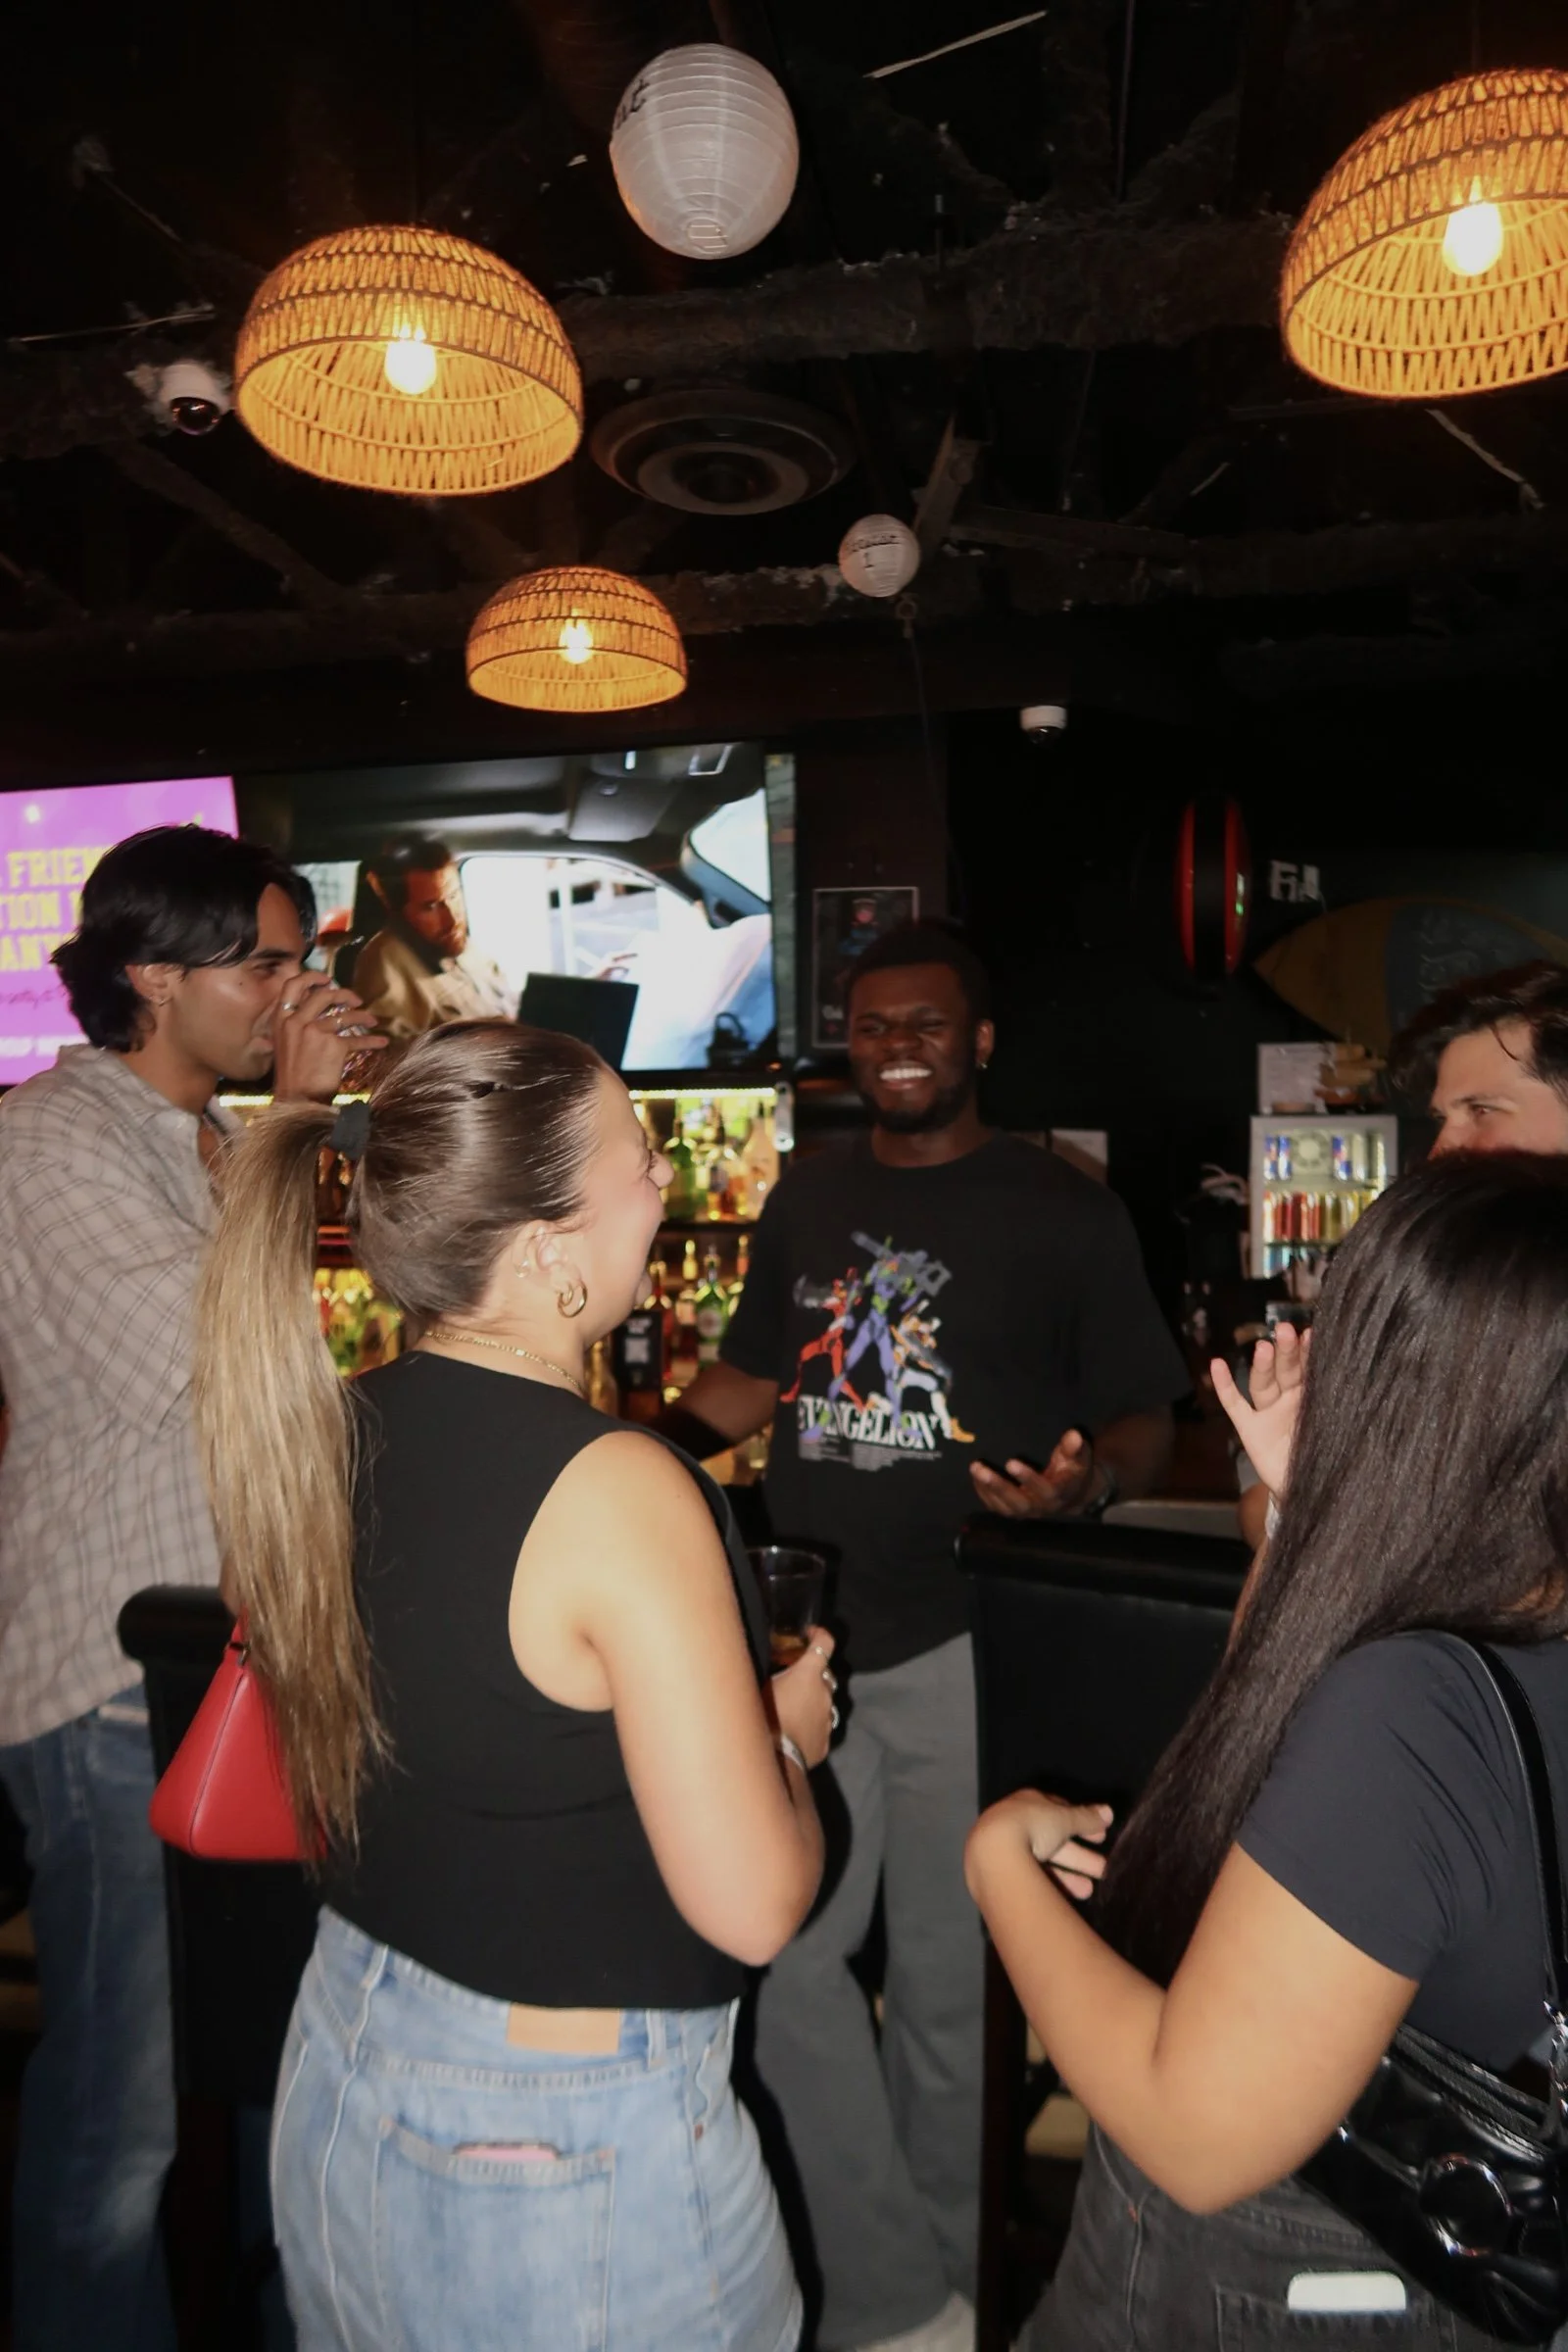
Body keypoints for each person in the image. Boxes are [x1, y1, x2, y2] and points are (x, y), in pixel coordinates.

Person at [193, 1018, 833, 2352]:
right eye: (635, 1160)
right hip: (556, 2140)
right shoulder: (620, 1491)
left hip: (344, 2057)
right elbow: (757, 1904)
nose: (662, 1183)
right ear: (547, 1252)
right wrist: (777, 1739)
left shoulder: (321, 1431)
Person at [659, 921, 1188, 2352]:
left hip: (967, 1631)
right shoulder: (807, 1200)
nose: (896, 1046)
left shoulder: (1061, 1207)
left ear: (981, 1041)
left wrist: (1096, 1481)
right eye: (874, 1024)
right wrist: (634, 1454)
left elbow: (1147, 1403)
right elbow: (756, 1373)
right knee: (783, 1963)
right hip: (803, 1640)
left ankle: (941, 2296)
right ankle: (896, 2290)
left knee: (958, 1993)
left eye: (926, 1024)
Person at [966, 1151, 1568, 2350]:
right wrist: (1314, 1525)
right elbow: (1303, 1746)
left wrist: (999, 1872)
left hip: (1300, 2272)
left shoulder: (1408, 1707)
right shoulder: (1501, 1615)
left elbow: (1193, 2135)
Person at [0, 824, 380, 2352]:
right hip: (108, 1679)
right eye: (268, 962)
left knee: (270, 2070)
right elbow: (201, 1358)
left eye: (301, 961)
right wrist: (296, 1117)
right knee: (126, 2121)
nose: (295, 991)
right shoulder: (52, 1137)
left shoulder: (204, 1140)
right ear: (153, 975)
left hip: (227, 1672)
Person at [1227, 958, 1568, 1526]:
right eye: (1443, 1117)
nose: (1441, 1150)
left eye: (1481, 1111)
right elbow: (1261, 1521)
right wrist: (1304, 1484)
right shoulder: (1462, 1291)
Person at [348, 833, 513, 1039]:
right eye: (431, 907)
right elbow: (397, 1061)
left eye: (453, 896)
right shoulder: (384, 964)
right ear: (398, 911)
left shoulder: (462, 947)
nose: (452, 919)